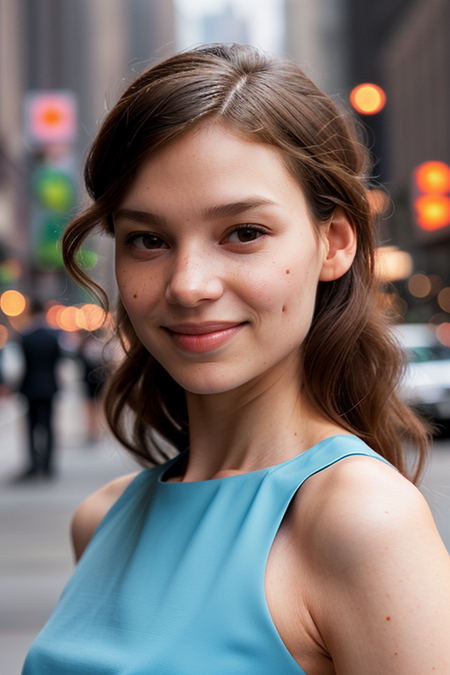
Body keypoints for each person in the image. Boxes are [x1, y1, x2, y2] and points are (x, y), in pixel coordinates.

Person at [22, 44, 450, 674]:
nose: (188, 284)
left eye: (243, 233)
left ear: (332, 244)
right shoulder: (102, 518)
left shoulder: (362, 521)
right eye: (148, 239)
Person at [16, 297, 62, 479]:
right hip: (49, 386)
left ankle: (34, 464)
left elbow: (19, 365)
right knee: (49, 426)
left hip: (30, 387)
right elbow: (58, 361)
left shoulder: (25, 337)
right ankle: (49, 465)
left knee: (31, 427)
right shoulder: (53, 337)